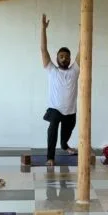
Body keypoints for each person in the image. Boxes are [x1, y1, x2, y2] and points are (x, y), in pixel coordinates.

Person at [41, 13, 79, 167]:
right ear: (57, 58)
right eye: (61, 56)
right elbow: (43, 50)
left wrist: (83, 31)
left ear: (70, 59)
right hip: (55, 109)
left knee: (66, 135)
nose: (64, 58)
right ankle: (50, 157)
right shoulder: (52, 70)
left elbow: (82, 50)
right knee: (53, 128)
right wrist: (43, 29)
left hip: (70, 111)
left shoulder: (75, 70)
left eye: (67, 56)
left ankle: (65, 145)